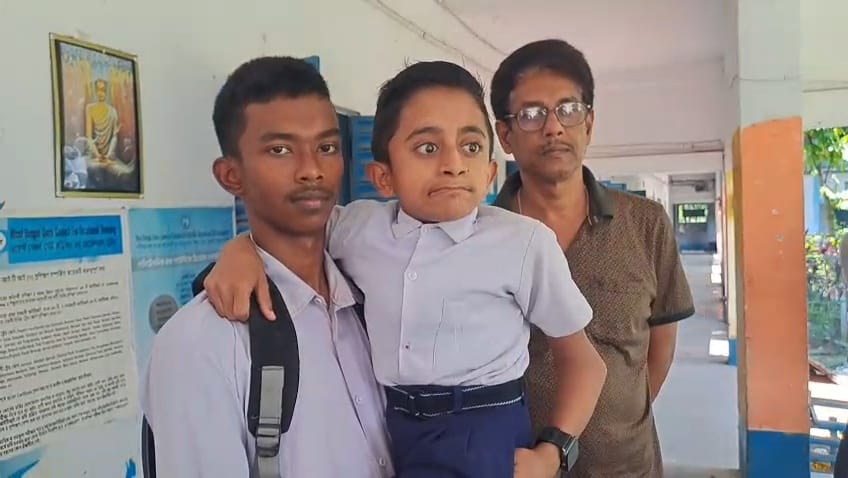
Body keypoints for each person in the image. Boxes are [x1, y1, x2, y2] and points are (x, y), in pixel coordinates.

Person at [203, 60, 608, 477]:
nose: (453, 164)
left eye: (470, 146)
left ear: (490, 172)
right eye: (428, 148)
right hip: (391, 424)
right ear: (383, 177)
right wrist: (241, 249)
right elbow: (290, 230)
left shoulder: (523, 244)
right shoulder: (358, 229)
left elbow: (585, 364)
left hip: (484, 430)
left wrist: (552, 454)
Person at [139, 56, 394, 477]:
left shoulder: (377, 296)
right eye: (280, 150)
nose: (312, 170)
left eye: (327, 147)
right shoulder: (203, 344)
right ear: (231, 176)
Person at [487, 39, 696, 477]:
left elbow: (660, 346)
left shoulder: (646, 224)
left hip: (627, 466)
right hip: (516, 466)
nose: (553, 128)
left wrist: (615, 424)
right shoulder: (481, 236)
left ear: (589, 122)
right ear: (505, 136)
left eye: (568, 109)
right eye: (531, 114)